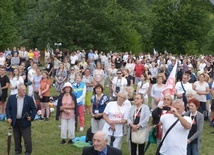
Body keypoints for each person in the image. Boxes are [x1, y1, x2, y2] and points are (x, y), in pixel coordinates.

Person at [6, 84, 37, 155]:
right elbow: (8, 108)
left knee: (27, 139)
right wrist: (9, 117)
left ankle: (28, 151)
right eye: (23, 90)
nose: (24, 91)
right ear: (18, 90)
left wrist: (31, 117)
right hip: (15, 121)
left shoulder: (29, 99)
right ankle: (18, 150)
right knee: (16, 138)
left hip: (25, 121)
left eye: (25, 90)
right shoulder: (11, 98)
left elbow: (34, 109)